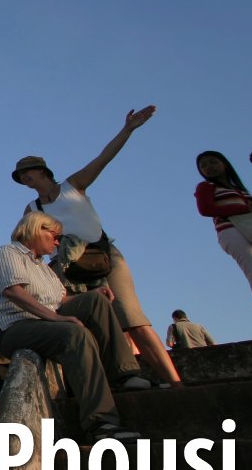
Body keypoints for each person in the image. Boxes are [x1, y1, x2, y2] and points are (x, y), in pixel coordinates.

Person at [12, 105, 181, 387]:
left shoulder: (72, 186)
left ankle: (175, 382)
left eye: (28, 173)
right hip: (69, 268)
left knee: (132, 319)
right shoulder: (32, 208)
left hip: (102, 255)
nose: (25, 179)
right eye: (21, 177)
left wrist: (127, 129)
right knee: (93, 325)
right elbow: (24, 242)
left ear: (42, 171)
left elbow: (103, 158)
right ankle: (124, 379)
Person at [0, 211, 151, 442]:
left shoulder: (43, 267)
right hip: (13, 327)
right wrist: (57, 319)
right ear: (35, 229)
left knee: (95, 302)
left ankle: (123, 372)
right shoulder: (8, 253)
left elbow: (59, 301)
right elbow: (14, 292)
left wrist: (92, 295)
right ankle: (100, 422)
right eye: (54, 235)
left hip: (43, 320)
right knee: (74, 334)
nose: (57, 242)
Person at [195, 151, 252, 335]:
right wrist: (245, 207)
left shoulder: (238, 188)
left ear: (224, 164)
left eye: (213, 162)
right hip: (231, 230)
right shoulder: (206, 186)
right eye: (204, 165)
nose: (209, 167)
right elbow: (206, 209)